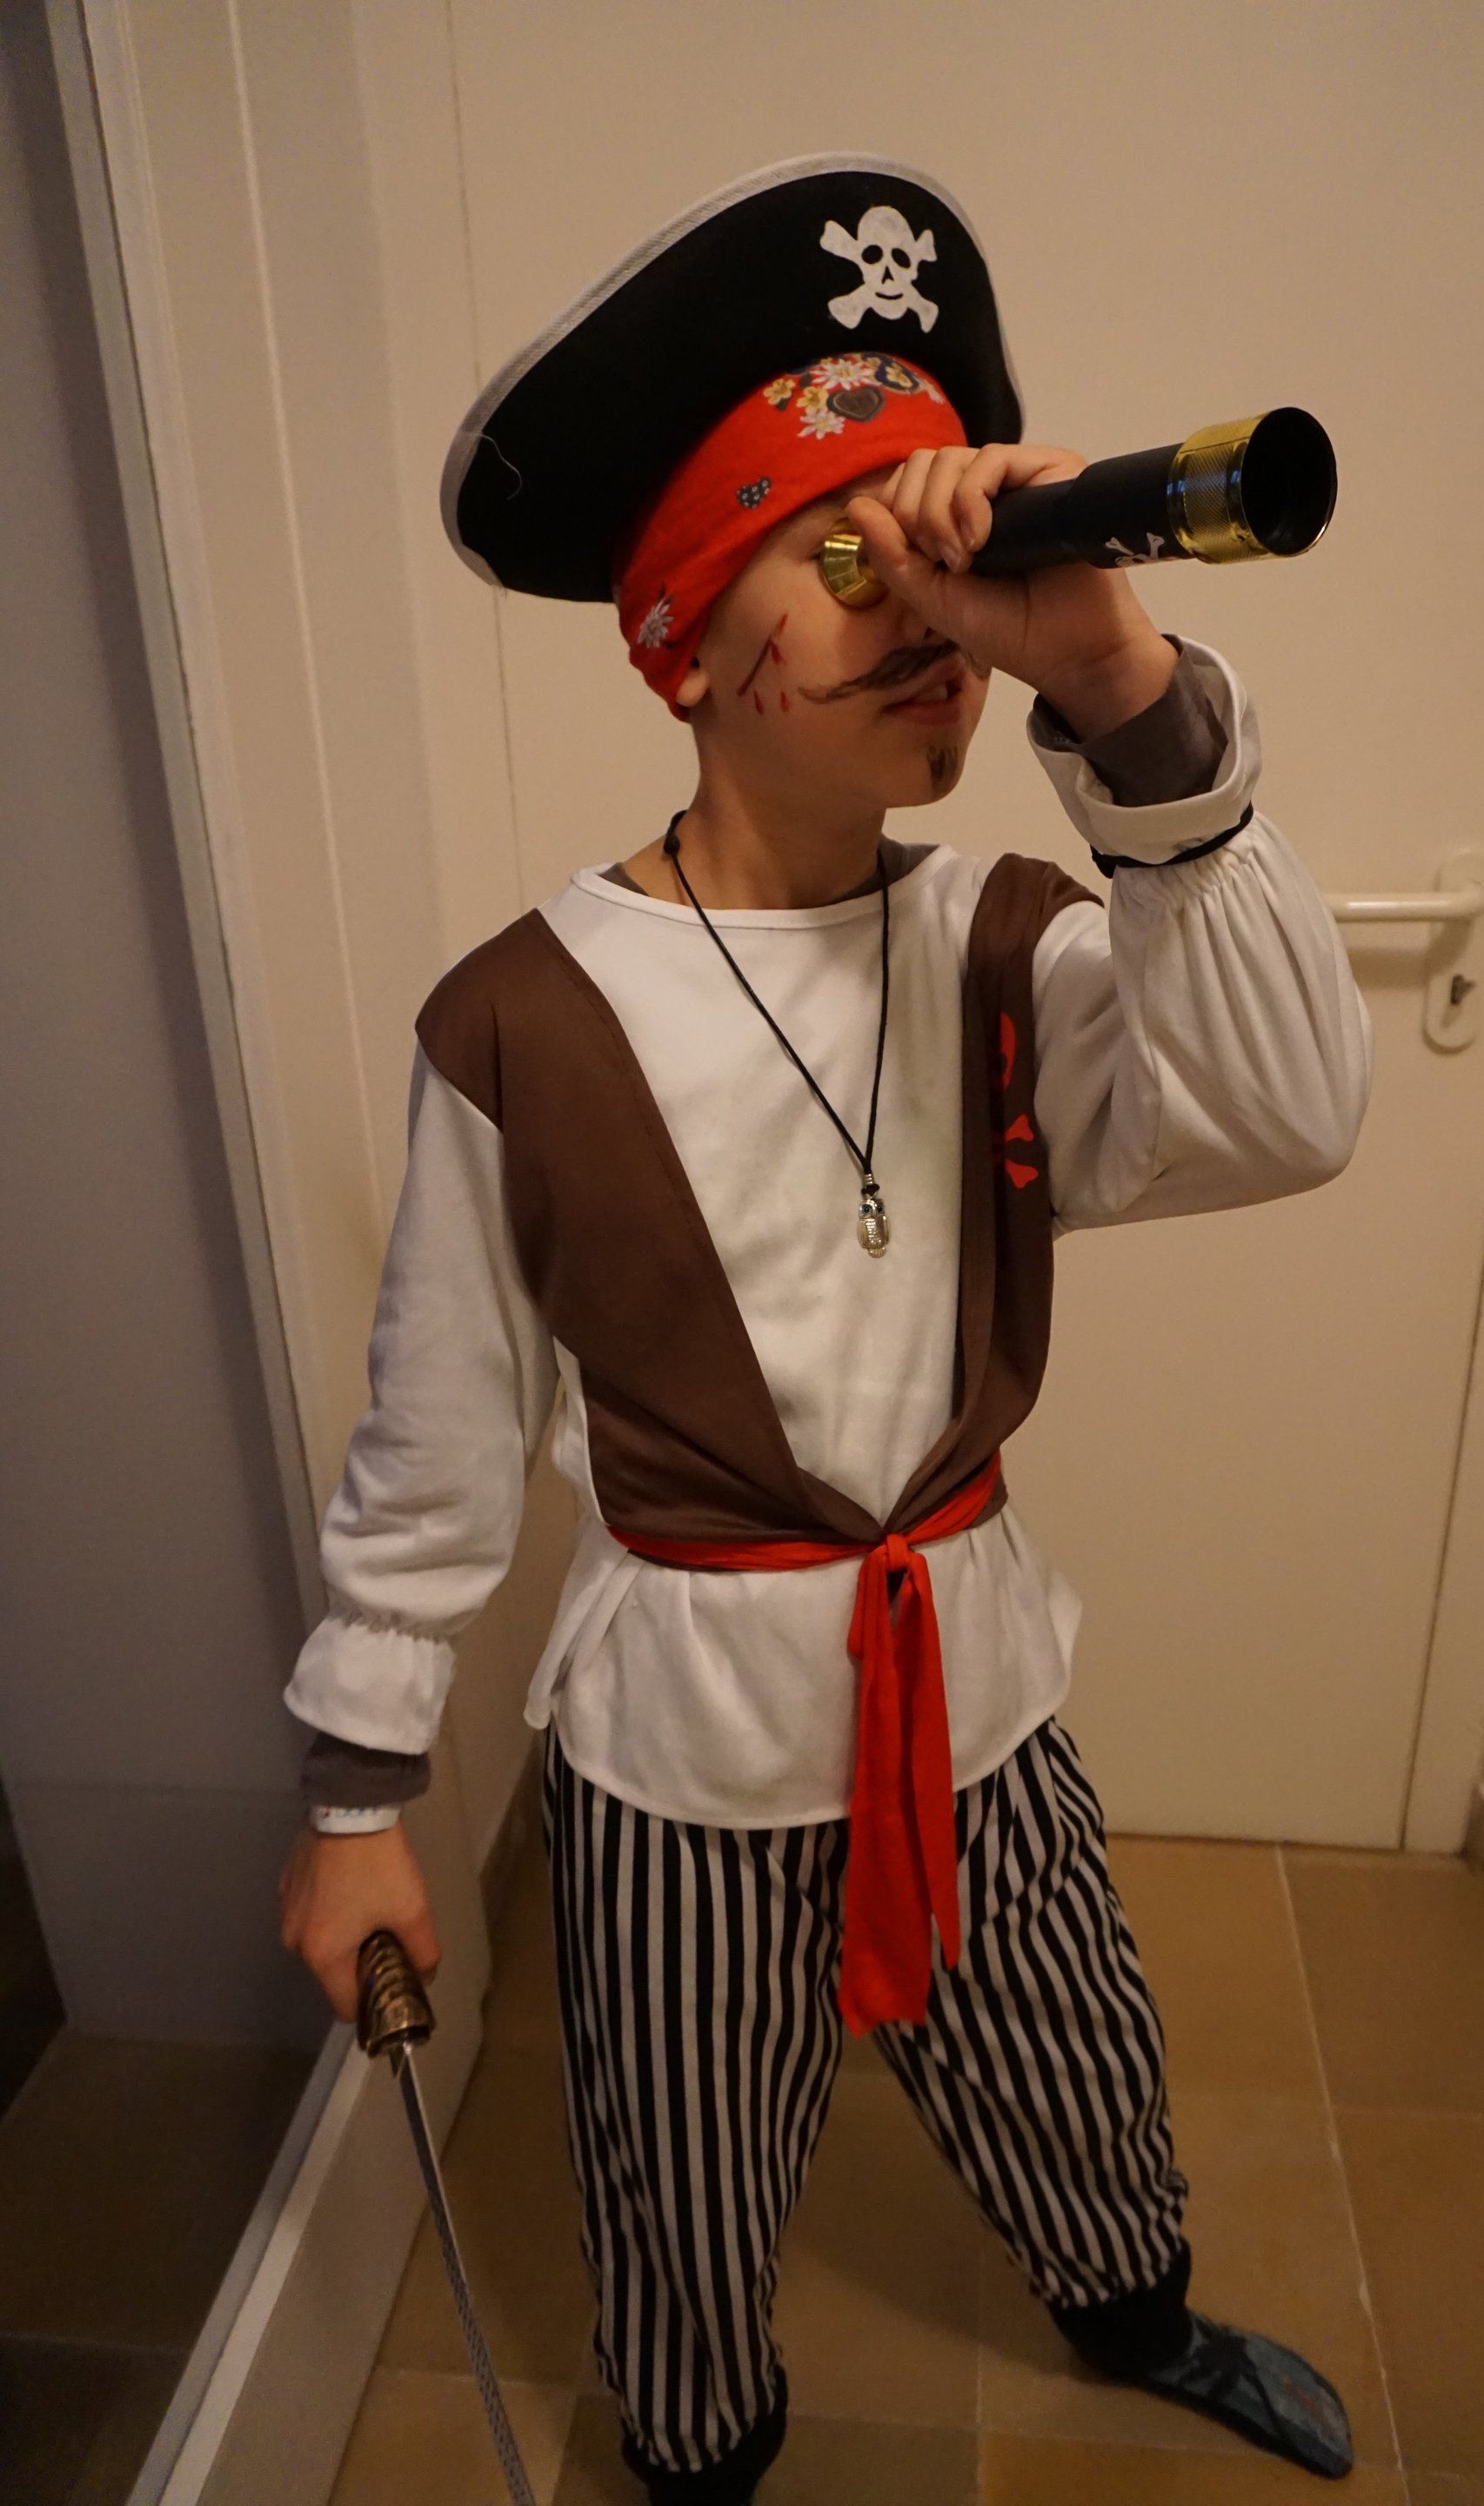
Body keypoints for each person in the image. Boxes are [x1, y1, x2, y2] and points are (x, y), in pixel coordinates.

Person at [279, 153, 1372, 2501]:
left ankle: (1135, 2306)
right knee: (674, 2137)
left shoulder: (1009, 939)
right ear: (687, 635)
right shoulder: (523, 1018)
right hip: (681, 1729)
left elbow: (1291, 1106)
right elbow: (435, 1444)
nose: (929, 625)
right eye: (848, 561)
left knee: (1067, 2038)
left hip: (972, 1678)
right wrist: (360, 1798)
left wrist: (1115, 678)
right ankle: (698, 2441)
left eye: (944, 563)